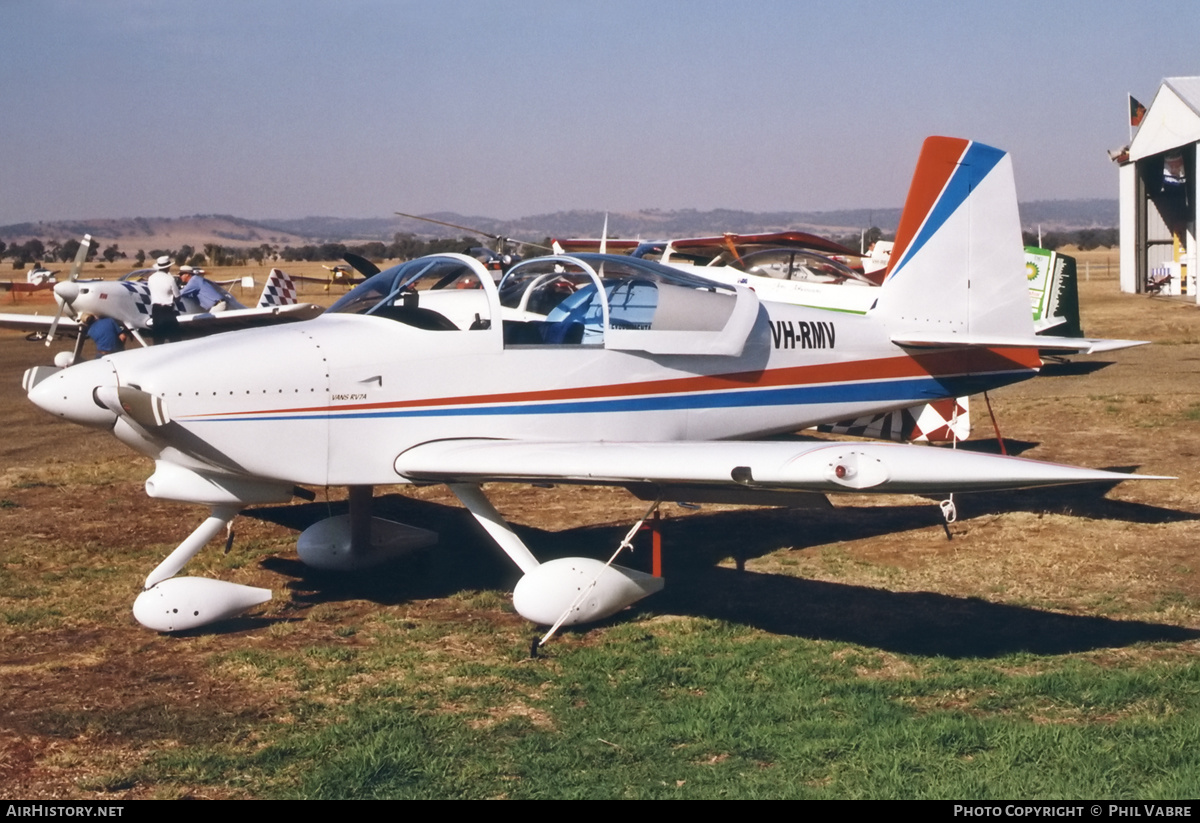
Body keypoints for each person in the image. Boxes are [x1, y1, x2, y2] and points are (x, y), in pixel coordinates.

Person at [148, 255, 180, 343]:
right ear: (168, 267)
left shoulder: (151, 278)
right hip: (167, 310)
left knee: (158, 338)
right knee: (175, 337)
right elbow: (177, 296)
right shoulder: (170, 279)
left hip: (156, 310)